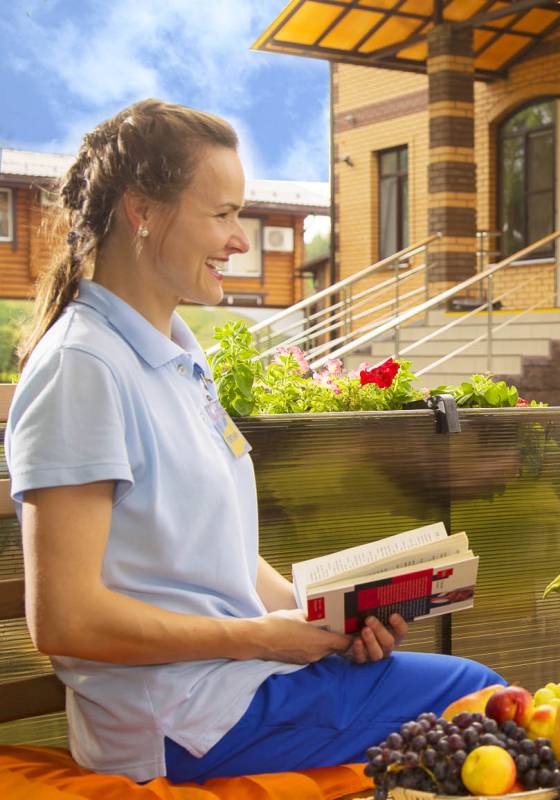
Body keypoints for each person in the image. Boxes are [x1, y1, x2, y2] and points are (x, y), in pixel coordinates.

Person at [4, 99, 502, 784]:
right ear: (142, 212)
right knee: (481, 703)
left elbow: (221, 564)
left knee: (470, 702)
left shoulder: (179, 358)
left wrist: (322, 621)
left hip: (233, 687)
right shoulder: (82, 369)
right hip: (180, 721)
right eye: (223, 214)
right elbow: (64, 619)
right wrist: (258, 637)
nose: (241, 239)